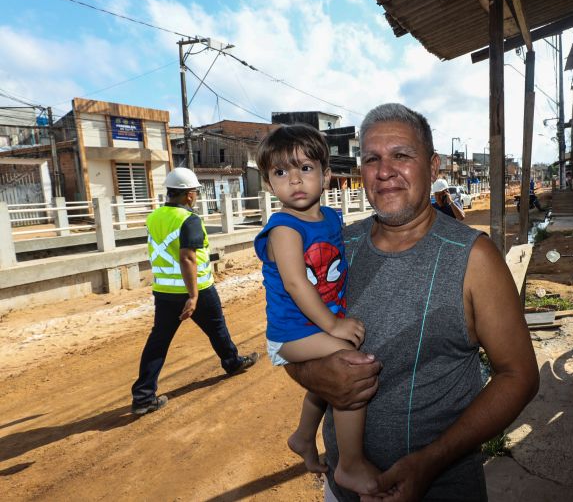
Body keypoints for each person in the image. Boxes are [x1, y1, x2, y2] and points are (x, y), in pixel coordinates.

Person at [284, 103, 540, 502]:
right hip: (343, 488)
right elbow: (289, 336)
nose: (385, 171)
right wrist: (312, 374)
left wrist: (430, 461)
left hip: (441, 488)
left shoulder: (474, 258)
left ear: (433, 167)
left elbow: (519, 375)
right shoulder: (336, 248)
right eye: (372, 159)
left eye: (401, 155)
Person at [253, 124, 379, 494]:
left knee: (327, 383)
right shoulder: (284, 228)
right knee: (351, 366)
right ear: (268, 184)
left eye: (305, 168)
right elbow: (296, 283)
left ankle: (303, 436)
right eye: (280, 172)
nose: (294, 180)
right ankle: (350, 465)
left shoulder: (331, 219)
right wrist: (334, 325)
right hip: (292, 332)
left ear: (325, 176)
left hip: (315, 326)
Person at [131, 167, 258, 415]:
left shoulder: (154, 217)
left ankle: (143, 396)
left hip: (164, 291)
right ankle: (232, 363)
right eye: (195, 192)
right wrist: (193, 296)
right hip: (196, 288)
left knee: (158, 341)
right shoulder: (189, 219)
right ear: (189, 195)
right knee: (216, 327)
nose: (196, 196)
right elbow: (187, 257)